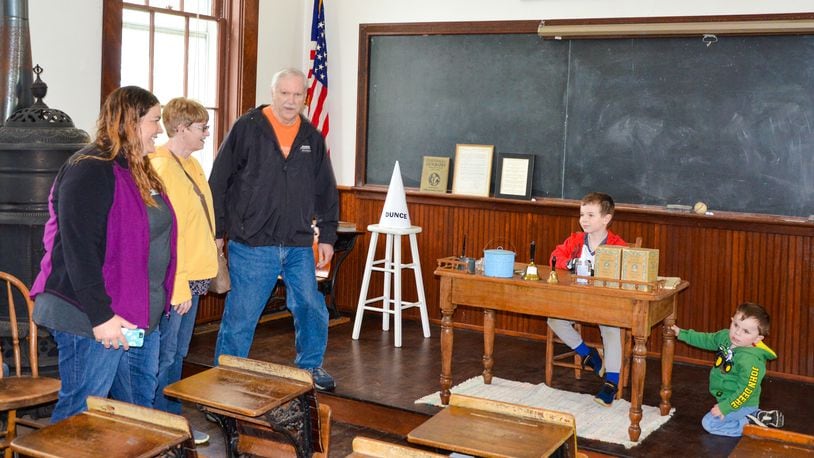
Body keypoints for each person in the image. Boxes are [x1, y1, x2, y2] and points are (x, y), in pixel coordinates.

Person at [30, 86, 176, 421]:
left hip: (137, 316)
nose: (159, 130)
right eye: (154, 121)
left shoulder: (138, 168)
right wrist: (101, 317)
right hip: (92, 317)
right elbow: (79, 250)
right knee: (81, 413)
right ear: (130, 122)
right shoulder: (90, 168)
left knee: (137, 414)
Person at [209, 68, 339, 391]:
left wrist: (329, 234)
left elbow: (326, 190)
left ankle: (310, 366)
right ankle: (223, 379)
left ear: (305, 99)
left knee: (310, 305)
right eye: (285, 93)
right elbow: (219, 180)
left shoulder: (312, 138)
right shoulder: (247, 128)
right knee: (241, 317)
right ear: (273, 94)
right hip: (252, 244)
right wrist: (218, 230)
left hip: (298, 244)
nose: (290, 101)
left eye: (297, 95)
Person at [148, 97, 217, 444]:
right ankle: (165, 425)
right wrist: (178, 287)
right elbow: (165, 235)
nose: (207, 133)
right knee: (167, 353)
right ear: (180, 129)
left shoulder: (192, 164)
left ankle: (171, 422)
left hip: (196, 275)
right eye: (201, 127)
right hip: (179, 280)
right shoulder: (160, 167)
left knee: (179, 352)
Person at [548, 192, 627, 406]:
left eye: (591, 215)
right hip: (577, 299)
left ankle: (611, 383)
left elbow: (625, 266)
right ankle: (588, 354)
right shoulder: (575, 240)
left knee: (611, 328)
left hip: (604, 301)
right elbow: (555, 257)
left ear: (606, 218)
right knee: (553, 318)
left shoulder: (617, 244)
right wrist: (571, 264)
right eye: (582, 214)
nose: (584, 219)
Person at [672, 302, 783, 436]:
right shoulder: (725, 337)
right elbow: (706, 339)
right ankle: (756, 416)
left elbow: (745, 392)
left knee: (709, 423)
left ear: (758, 338)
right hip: (726, 398)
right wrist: (681, 333)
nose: (737, 333)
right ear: (731, 320)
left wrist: (725, 408)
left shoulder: (751, 362)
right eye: (736, 325)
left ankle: (750, 424)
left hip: (743, 403)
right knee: (715, 418)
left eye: (746, 331)